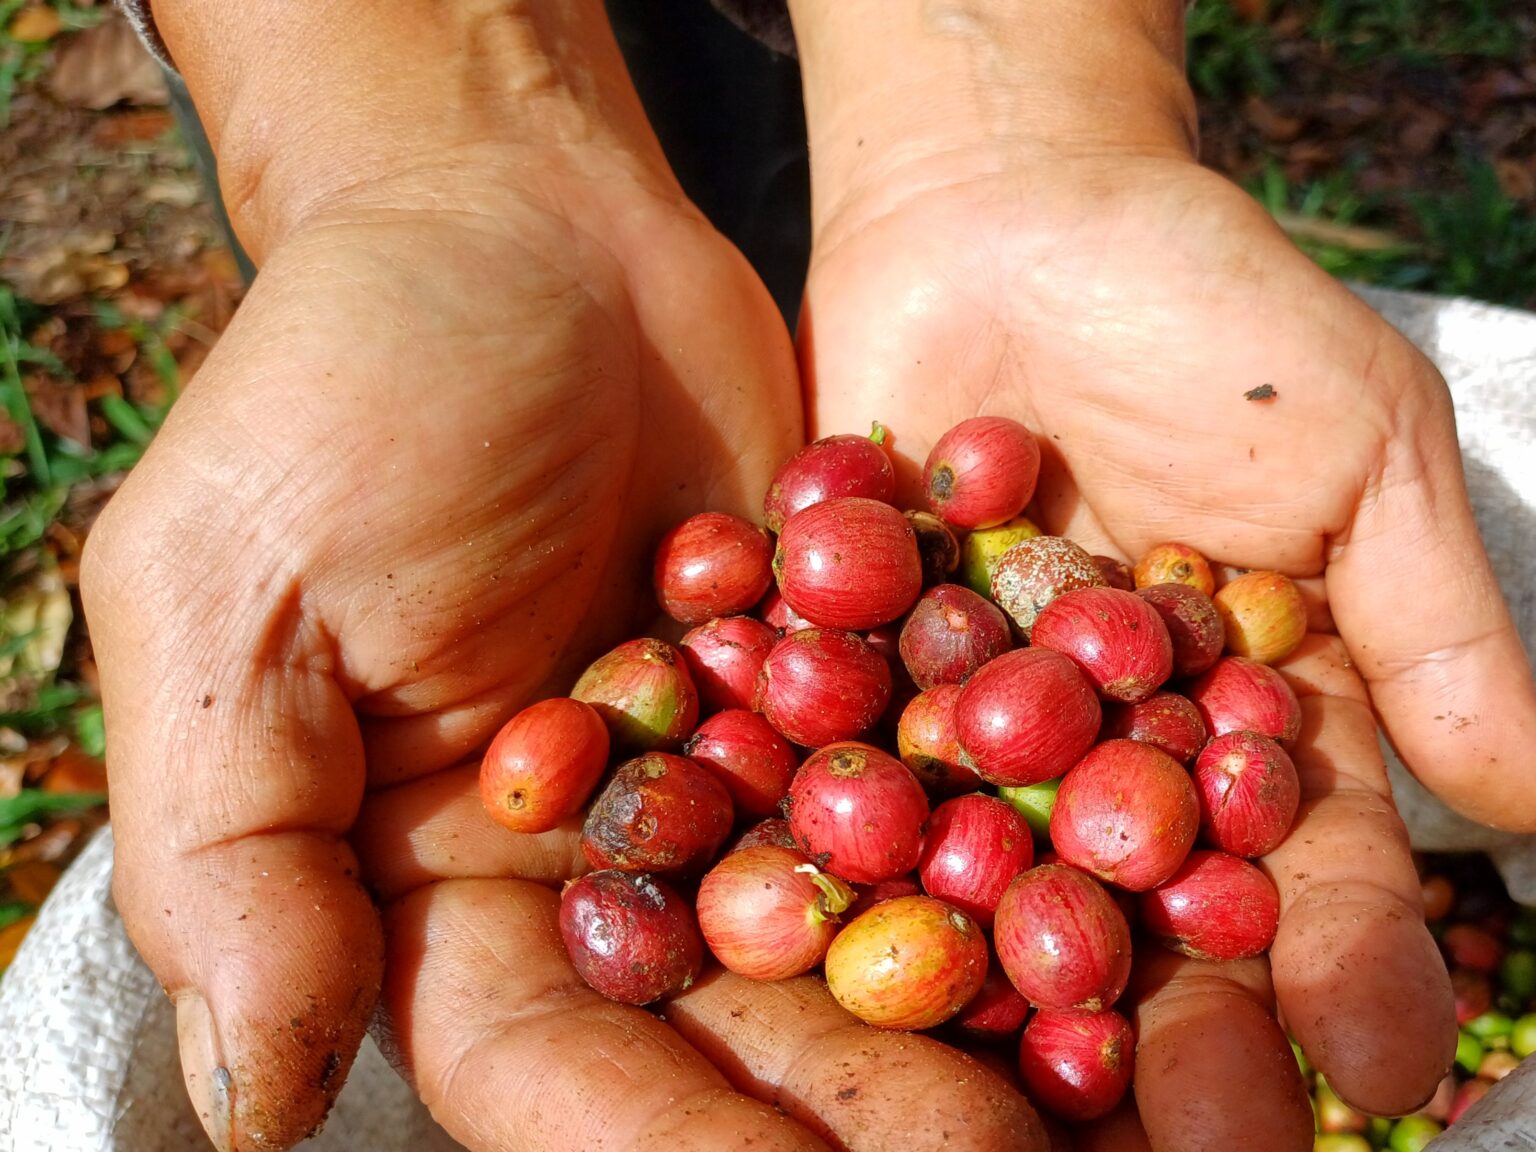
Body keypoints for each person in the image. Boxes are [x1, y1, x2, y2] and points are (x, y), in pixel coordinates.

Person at [82, 2, 1536, 1149]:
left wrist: (1015, 106)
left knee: (753, 131)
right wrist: (412, 151)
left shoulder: (984, 669)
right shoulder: (858, 699)